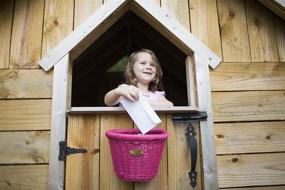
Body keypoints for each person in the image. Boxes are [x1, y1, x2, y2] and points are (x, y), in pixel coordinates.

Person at [104, 49, 173, 107]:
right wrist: (118, 91)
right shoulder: (126, 90)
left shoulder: (157, 95)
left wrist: (145, 104)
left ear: (156, 74)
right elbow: (108, 102)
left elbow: (170, 105)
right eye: (143, 63)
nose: (149, 67)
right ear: (132, 70)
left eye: (152, 65)